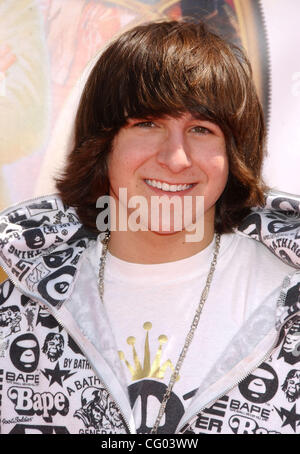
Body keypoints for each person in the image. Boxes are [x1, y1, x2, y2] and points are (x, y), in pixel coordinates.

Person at [0, 20, 300, 435]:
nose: (175, 158)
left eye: (201, 129)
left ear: (234, 154)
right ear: (102, 144)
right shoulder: (17, 298)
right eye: (147, 123)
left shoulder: (290, 299)